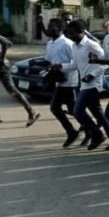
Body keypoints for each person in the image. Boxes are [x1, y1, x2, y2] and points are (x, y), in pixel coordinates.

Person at [60, 19, 109, 150]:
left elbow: (104, 62)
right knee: (98, 113)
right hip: (83, 84)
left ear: (82, 32)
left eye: (72, 33)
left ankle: (97, 135)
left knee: (77, 111)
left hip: (94, 84)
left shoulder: (91, 45)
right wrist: (59, 66)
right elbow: (75, 65)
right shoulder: (74, 46)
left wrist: (92, 75)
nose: (70, 36)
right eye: (68, 34)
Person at [0, 21, 40, 127]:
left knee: (12, 91)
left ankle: (32, 112)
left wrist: (1, 58)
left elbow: (7, 43)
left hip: (0, 68)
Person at [45, 18, 79, 147]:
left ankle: (87, 130)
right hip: (58, 81)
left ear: (59, 29)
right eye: (49, 26)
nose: (49, 29)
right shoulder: (49, 44)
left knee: (73, 110)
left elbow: (75, 63)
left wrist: (61, 66)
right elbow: (49, 60)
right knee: (60, 108)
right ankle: (76, 131)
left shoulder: (67, 43)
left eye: (52, 26)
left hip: (70, 81)